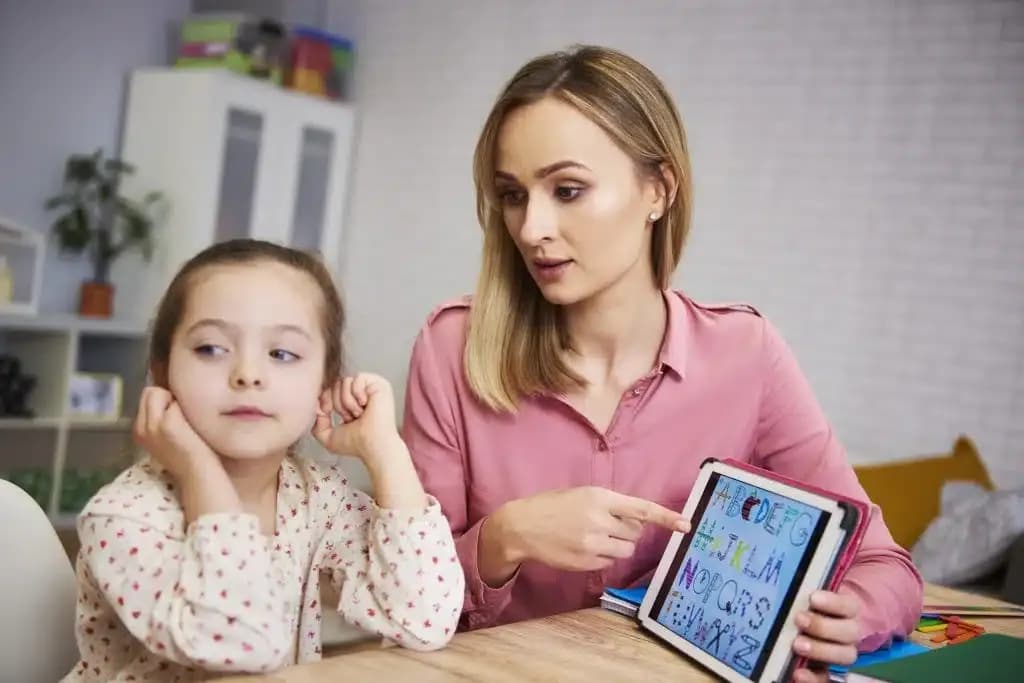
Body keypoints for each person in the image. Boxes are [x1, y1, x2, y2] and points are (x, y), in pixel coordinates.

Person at [402, 45, 922, 681]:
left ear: (658, 189)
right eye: (513, 195)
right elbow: (404, 603)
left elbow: (885, 566)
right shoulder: (450, 348)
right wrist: (506, 538)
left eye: (568, 190)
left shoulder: (745, 354)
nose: (532, 227)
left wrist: (850, 615)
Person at [64, 239, 463, 682]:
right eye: (211, 349)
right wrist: (199, 469)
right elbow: (242, 646)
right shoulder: (126, 516)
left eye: (282, 354)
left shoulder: (315, 499)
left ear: (324, 385)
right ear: (162, 372)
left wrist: (385, 448)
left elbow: (423, 619)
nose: (248, 374)